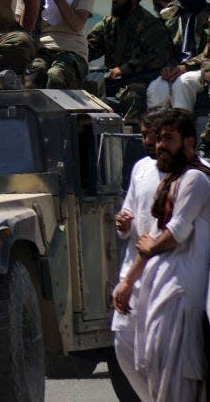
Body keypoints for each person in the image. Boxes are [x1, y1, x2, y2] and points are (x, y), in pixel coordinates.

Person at [112, 109, 210, 401]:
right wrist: (129, 280)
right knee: (149, 362)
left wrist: (149, 248)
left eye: (168, 139)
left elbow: (172, 234)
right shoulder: (166, 179)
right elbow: (150, 236)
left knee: (176, 375)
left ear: (189, 143)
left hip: (181, 290)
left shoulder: (196, 178)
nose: (158, 145)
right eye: (157, 139)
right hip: (157, 286)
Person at [111, 109, 163, 401]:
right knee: (124, 345)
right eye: (142, 135)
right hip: (133, 272)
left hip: (170, 274)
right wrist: (123, 223)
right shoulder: (141, 168)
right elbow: (128, 211)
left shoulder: (197, 172)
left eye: (151, 135)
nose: (146, 141)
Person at [88, 0, 174, 123]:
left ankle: (129, 140)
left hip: (139, 79)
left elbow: (159, 56)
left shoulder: (150, 25)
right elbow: (91, 46)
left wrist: (126, 68)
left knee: (134, 96)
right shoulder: (108, 23)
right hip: (112, 80)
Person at [146, 0, 210, 113]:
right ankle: (158, 130)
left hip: (201, 68)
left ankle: (181, 127)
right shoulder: (168, 16)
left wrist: (186, 66)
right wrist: (166, 67)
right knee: (156, 88)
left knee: (184, 83)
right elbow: (160, 48)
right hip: (175, 69)